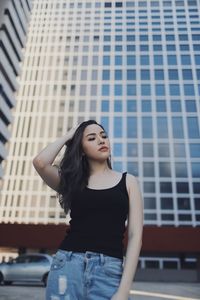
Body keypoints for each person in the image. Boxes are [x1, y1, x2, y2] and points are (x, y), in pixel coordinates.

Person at [32, 120, 143, 300]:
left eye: (103, 136)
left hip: (109, 271)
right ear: (81, 150)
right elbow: (40, 162)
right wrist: (69, 135)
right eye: (92, 138)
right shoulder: (72, 181)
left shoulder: (128, 182)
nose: (101, 140)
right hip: (67, 266)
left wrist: (124, 291)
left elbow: (135, 236)